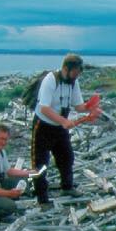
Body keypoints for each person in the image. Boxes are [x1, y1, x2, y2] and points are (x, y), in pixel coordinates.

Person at [31, 53, 98, 208]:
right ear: (65, 69)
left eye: (78, 73)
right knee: (39, 163)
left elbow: (78, 106)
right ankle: (42, 198)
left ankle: (67, 187)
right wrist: (63, 121)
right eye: (75, 73)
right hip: (43, 126)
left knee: (66, 157)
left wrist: (90, 107)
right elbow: (44, 108)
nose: (76, 76)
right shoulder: (50, 80)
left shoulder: (73, 82)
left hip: (60, 127)